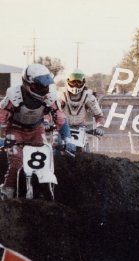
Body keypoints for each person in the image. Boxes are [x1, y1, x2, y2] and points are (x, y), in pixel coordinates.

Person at [0, 64, 68, 199]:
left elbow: (61, 119)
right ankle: (7, 192)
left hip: (37, 130)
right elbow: (1, 117)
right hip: (15, 130)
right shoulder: (14, 96)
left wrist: (68, 139)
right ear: (28, 84)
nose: (44, 89)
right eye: (39, 86)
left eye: (45, 86)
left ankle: (42, 188)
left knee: (45, 157)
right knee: (17, 162)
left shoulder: (50, 97)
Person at [58, 68, 105, 140]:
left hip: (81, 127)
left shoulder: (89, 97)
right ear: (68, 81)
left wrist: (100, 127)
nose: (76, 85)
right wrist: (46, 122)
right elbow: (49, 111)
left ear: (83, 82)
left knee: (84, 146)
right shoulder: (61, 95)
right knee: (56, 144)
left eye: (79, 82)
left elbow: (98, 115)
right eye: (73, 82)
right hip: (62, 126)